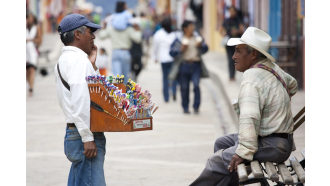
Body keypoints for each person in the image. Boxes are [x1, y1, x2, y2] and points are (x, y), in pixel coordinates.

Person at [190, 27, 298, 186]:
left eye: (238, 51)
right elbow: (293, 84)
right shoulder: (271, 67)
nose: (233, 56)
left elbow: (250, 117)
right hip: (279, 142)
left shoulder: (251, 78)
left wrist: (244, 151)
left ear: (253, 54)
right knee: (222, 143)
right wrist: (274, 106)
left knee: (216, 162)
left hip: (272, 145)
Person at [54, 13, 106, 186]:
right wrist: (87, 137)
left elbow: (93, 91)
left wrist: (92, 64)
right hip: (83, 133)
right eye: (90, 32)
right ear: (77, 34)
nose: (93, 36)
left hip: (76, 132)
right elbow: (80, 99)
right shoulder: (77, 61)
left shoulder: (69, 59)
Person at [99, 2, 142, 84]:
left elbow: (101, 36)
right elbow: (138, 39)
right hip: (126, 52)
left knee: (116, 78)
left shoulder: (112, 27)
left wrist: (104, 26)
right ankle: (124, 95)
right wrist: (137, 29)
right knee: (125, 78)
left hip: (115, 52)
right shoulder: (128, 28)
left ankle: (117, 95)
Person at [178, 20, 208, 114]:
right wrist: (181, 49)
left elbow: (206, 48)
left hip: (196, 65)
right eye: (191, 26)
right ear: (185, 28)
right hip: (184, 65)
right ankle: (185, 107)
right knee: (184, 87)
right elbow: (172, 52)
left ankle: (196, 106)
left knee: (196, 85)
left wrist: (201, 46)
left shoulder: (197, 38)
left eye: (193, 26)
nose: (193, 28)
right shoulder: (179, 39)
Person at [153, 17, 177, 102]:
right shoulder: (173, 34)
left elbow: (155, 47)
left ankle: (166, 97)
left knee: (165, 78)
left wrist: (155, 57)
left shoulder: (158, 34)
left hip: (163, 59)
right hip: (173, 58)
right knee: (173, 76)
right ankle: (174, 91)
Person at [220, 6, 245, 81]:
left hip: (237, 42)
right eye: (230, 11)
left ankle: (234, 75)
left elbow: (242, 30)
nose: (231, 13)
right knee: (230, 59)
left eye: (233, 11)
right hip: (228, 42)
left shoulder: (238, 20)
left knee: (236, 59)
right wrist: (224, 34)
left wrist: (236, 32)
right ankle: (231, 76)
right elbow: (221, 30)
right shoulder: (226, 20)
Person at [26, 12, 42, 96]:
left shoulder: (36, 28)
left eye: (31, 18)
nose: (29, 19)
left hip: (32, 53)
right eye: (28, 18)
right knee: (26, 72)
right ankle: (29, 85)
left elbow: (39, 40)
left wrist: (30, 41)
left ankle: (31, 88)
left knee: (31, 69)